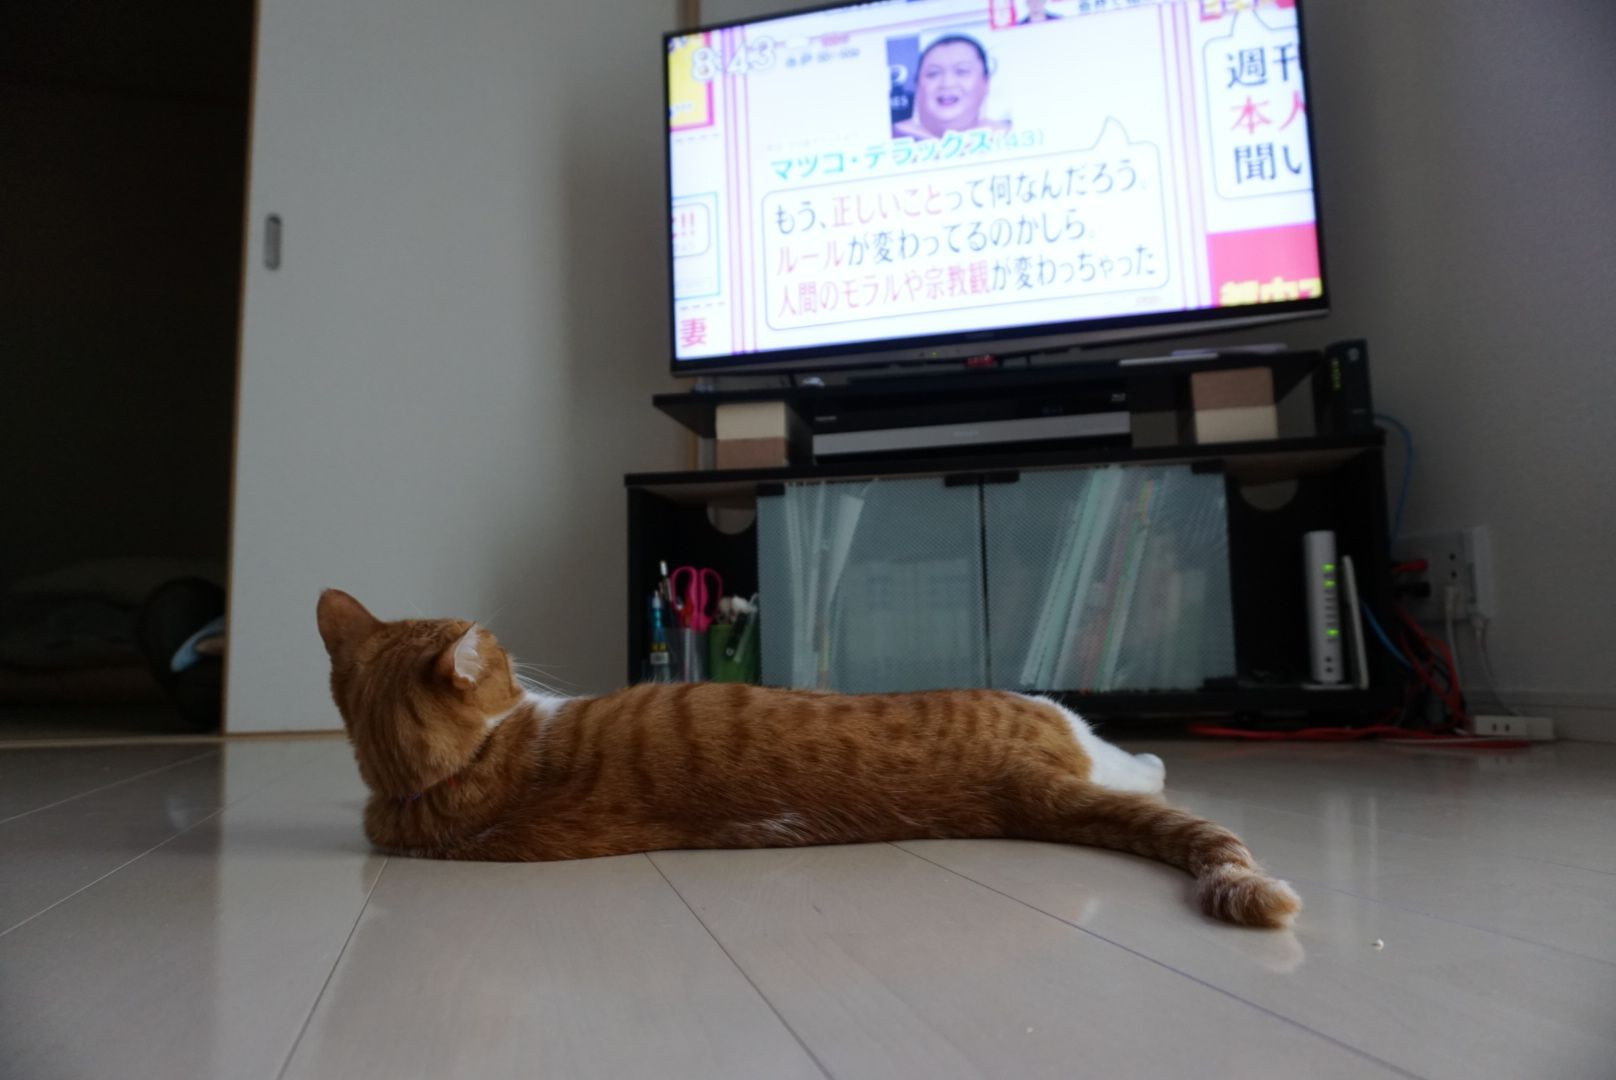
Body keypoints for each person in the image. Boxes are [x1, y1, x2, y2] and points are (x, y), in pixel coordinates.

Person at [891, 34, 1010, 140]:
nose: (947, 83)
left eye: (962, 71)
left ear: (986, 82)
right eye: (933, 73)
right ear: (917, 85)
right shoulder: (894, 137)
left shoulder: (1006, 136)